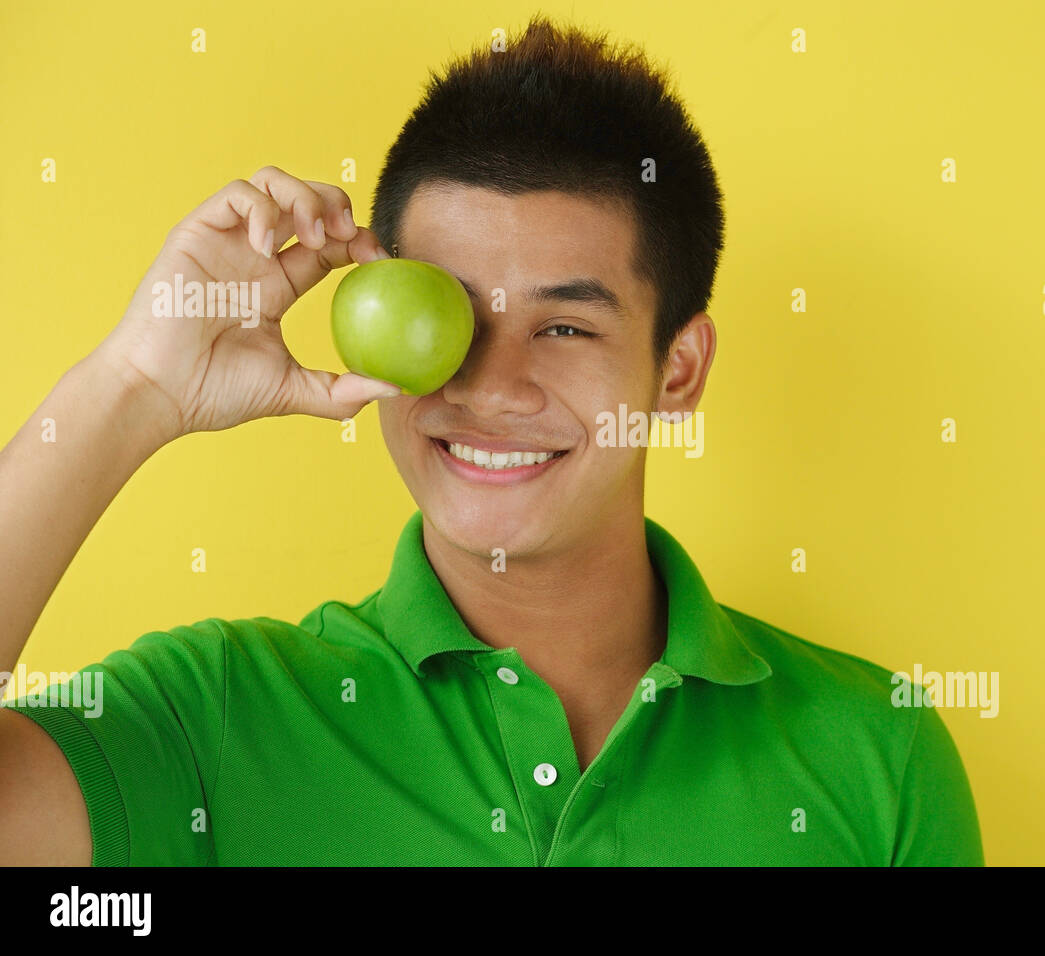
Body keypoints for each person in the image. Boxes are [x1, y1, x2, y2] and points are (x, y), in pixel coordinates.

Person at [0, 14, 983, 866]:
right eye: (447, 316)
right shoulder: (217, 716)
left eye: (564, 327)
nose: (489, 386)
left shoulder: (875, 755)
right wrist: (130, 387)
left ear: (676, 370)